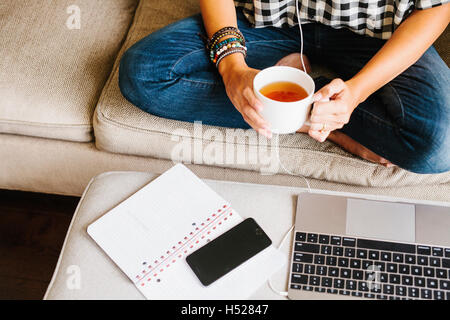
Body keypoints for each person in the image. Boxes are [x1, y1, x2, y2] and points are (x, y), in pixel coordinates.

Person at [119, 0, 450, 174]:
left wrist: (357, 92)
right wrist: (232, 67)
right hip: (268, 22)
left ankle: (318, 106)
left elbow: (437, 7)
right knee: (145, 73)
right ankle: (309, 120)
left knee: (439, 147)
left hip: (377, 36)